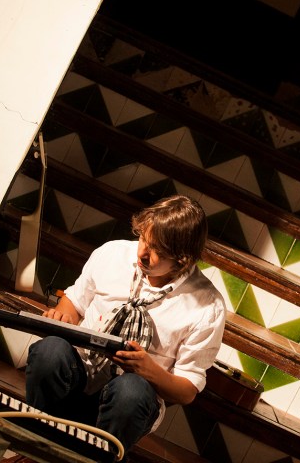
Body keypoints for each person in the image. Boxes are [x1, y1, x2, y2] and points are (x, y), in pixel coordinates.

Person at [25, 195, 226, 458]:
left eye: (157, 251)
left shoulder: (207, 306)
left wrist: (149, 370)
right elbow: (73, 304)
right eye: (143, 239)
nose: (143, 253)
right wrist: (62, 317)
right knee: (49, 351)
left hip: (128, 402)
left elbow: (187, 390)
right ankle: (33, 445)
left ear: (183, 260)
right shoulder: (113, 254)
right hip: (78, 371)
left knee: (131, 391)